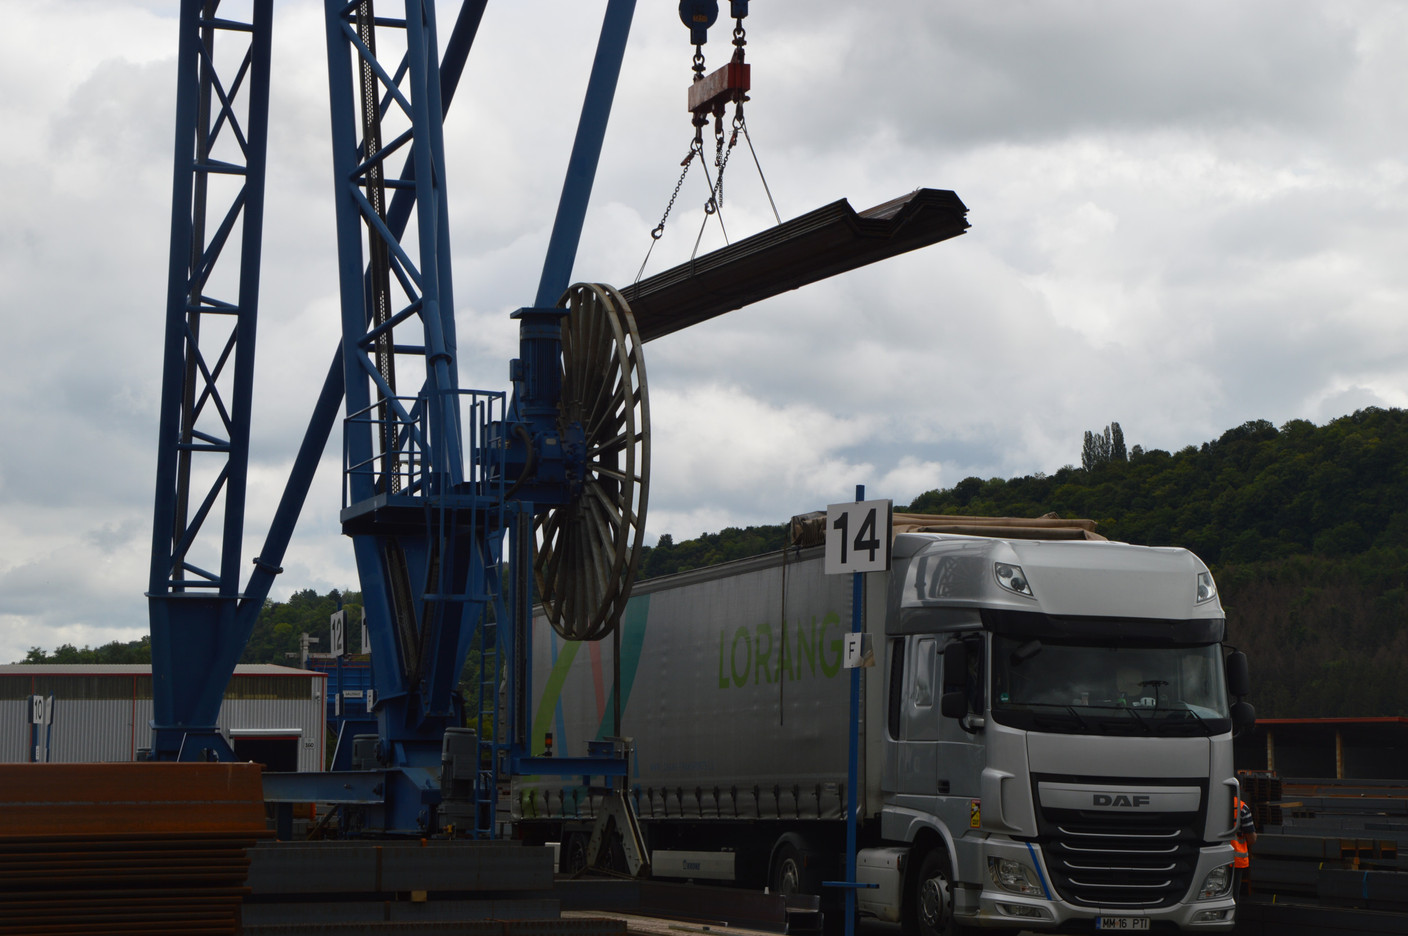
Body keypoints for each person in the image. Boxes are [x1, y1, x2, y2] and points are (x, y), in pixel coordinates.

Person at [1232, 796, 1257, 894]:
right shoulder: (1242, 808)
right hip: (1235, 860)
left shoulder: (1213, 804)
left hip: (1214, 858)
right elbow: (1251, 839)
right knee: (1233, 897)